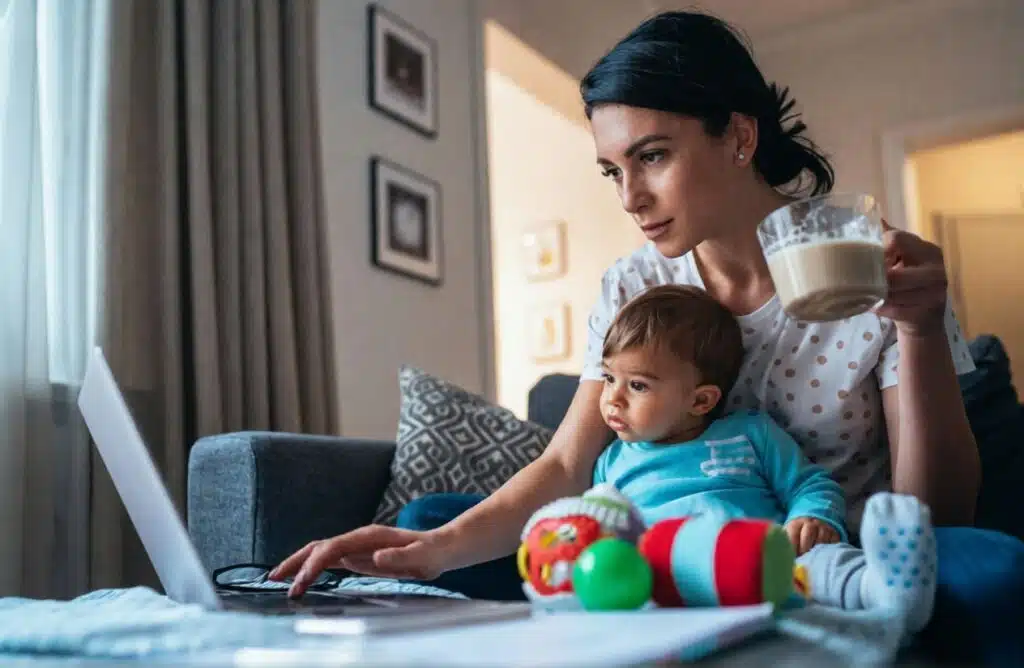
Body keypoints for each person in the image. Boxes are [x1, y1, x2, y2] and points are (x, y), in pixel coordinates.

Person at [271, 10, 1022, 660]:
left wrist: (920, 327)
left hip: (827, 563)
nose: (630, 197)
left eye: (652, 156)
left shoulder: (870, 261)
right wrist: (430, 550)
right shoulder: (632, 286)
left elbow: (937, 515)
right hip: (655, 556)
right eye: (611, 171)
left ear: (738, 137)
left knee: (990, 565)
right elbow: (568, 462)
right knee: (427, 524)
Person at [589, 284, 935, 631]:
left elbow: (810, 484)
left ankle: (887, 594)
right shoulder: (611, 463)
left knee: (824, 565)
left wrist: (813, 518)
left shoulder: (750, 433)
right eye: (608, 377)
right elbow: (604, 526)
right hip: (676, 577)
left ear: (701, 401)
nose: (612, 399)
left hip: (769, 565)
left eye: (637, 385)